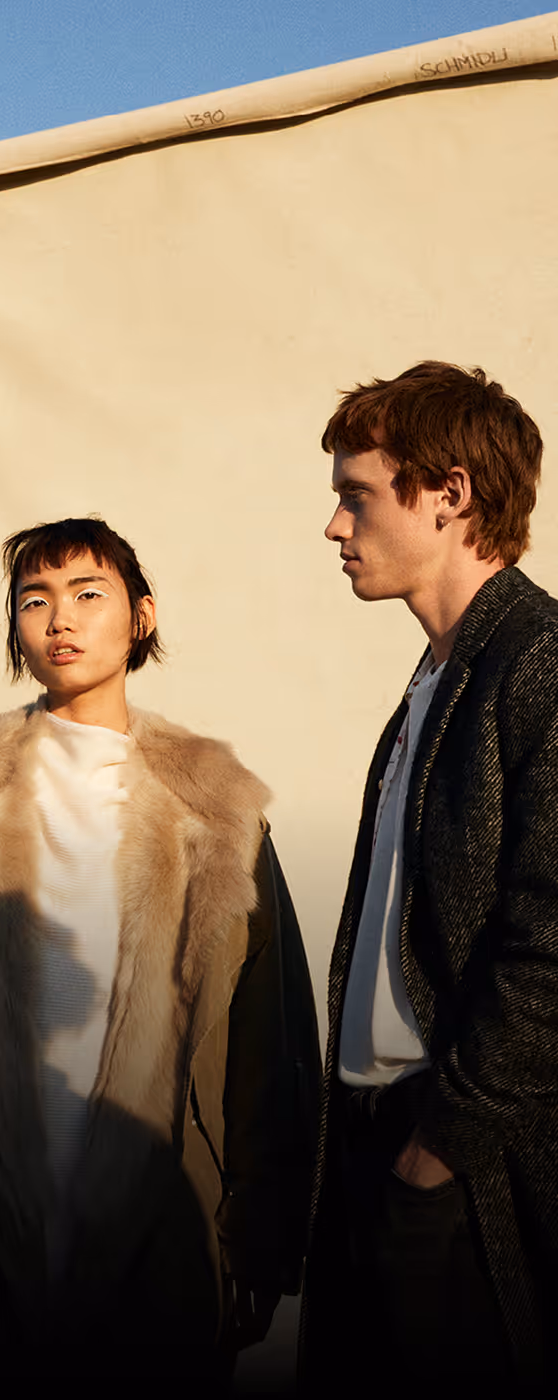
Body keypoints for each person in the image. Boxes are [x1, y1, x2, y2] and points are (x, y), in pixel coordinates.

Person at [0, 516, 319, 1382]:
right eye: (35, 600)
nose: (60, 618)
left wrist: (262, 1235)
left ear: (141, 615)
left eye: (88, 594)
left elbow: (267, 1042)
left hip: (162, 1211)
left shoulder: (218, 813)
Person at [301, 362, 557, 1388]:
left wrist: (437, 1148)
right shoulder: (430, 682)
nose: (332, 524)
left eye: (355, 492)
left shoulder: (535, 664)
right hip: (377, 1147)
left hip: (462, 1164)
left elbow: (549, 948)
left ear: (446, 493)